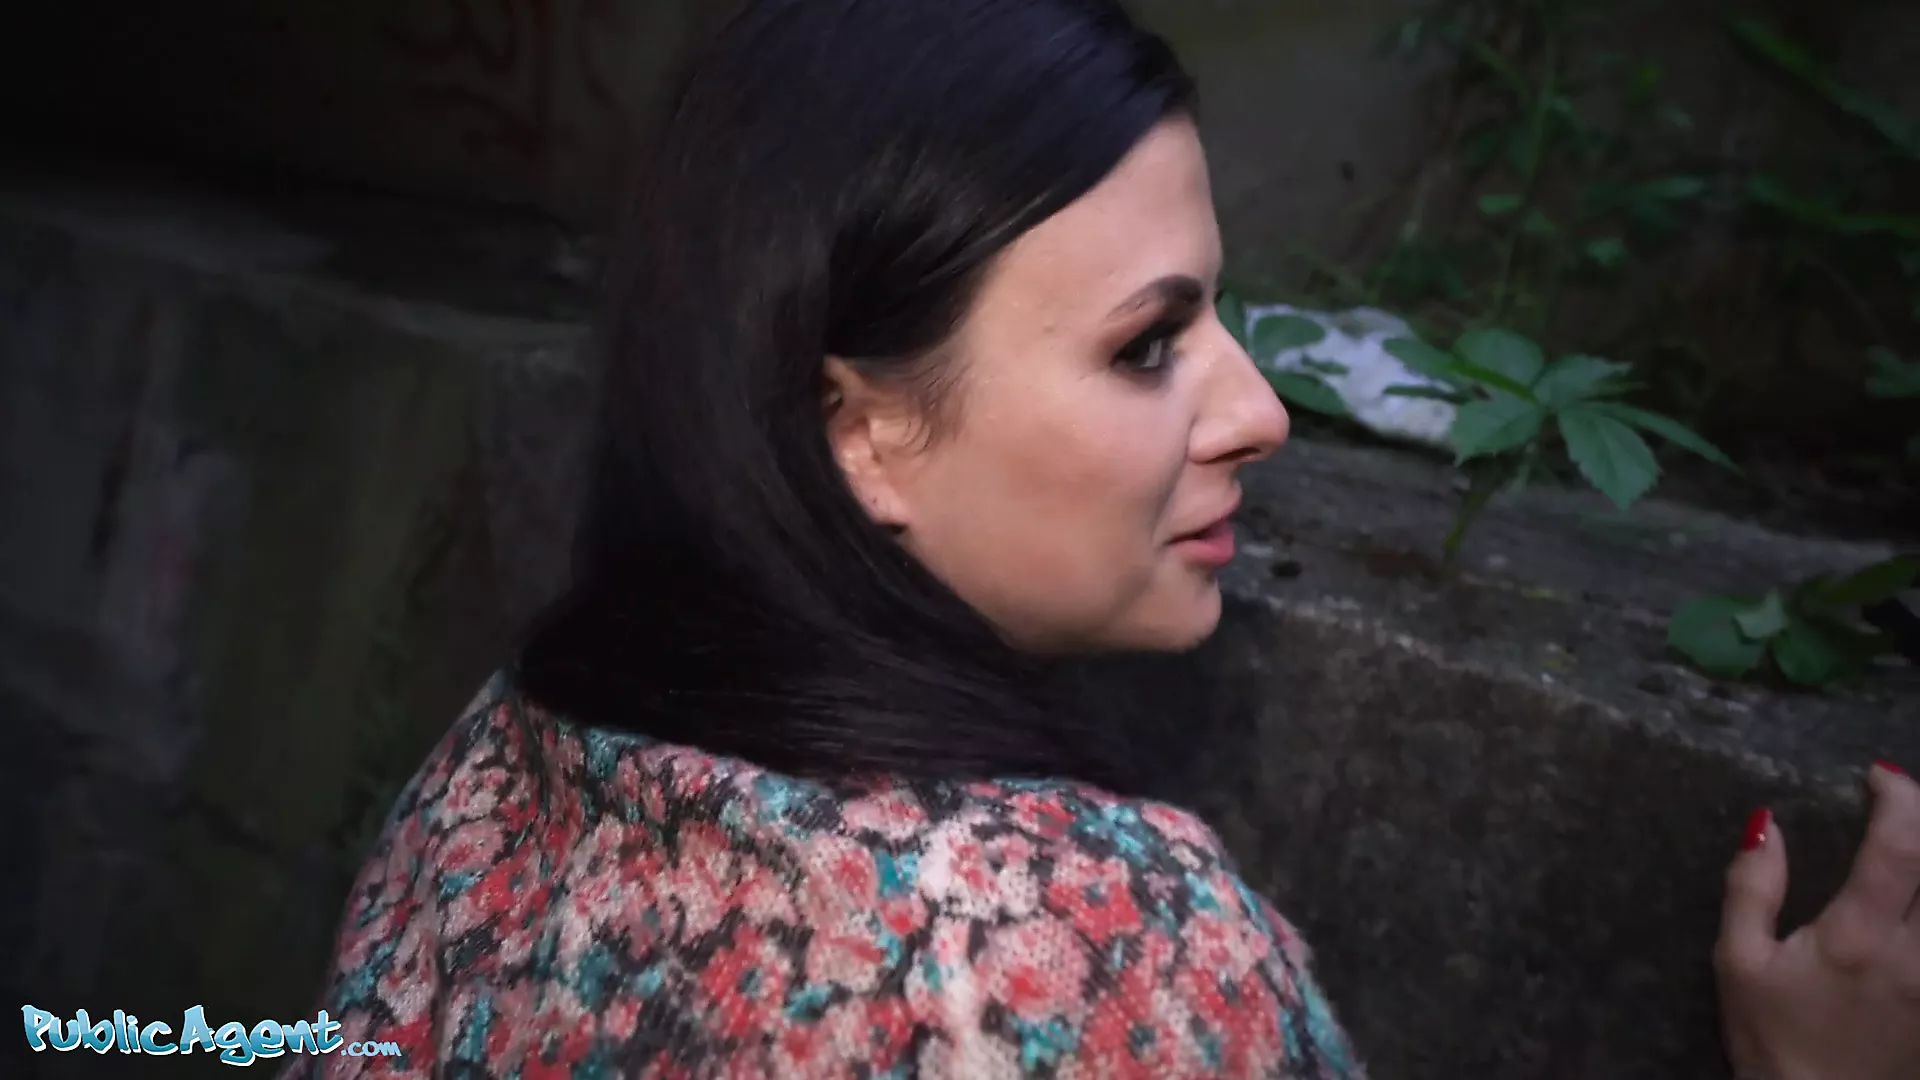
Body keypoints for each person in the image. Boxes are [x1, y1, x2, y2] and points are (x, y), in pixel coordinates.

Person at [288, 1, 1920, 1076]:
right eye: (1149, 344)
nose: (1261, 410)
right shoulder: (1083, 958)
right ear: (860, 431)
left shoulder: (502, 765)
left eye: (1219, 315)